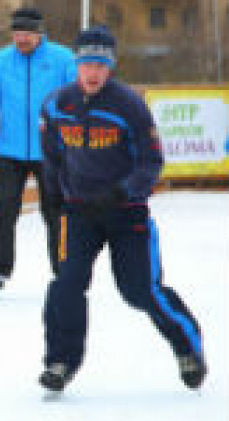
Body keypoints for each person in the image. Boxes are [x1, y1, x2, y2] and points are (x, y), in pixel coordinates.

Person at [38, 25, 207, 393]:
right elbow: (51, 154)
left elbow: (152, 161)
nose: (93, 72)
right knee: (66, 285)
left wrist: (123, 192)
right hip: (79, 213)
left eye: (100, 65)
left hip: (126, 213)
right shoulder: (56, 104)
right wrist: (53, 195)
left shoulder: (129, 105)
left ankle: (187, 345)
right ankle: (60, 362)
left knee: (139, 290)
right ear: (77, 65)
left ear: (110, 67)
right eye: (87, 64)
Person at [0, 8, 76, 291]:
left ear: (39, 33)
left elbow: (74, 97)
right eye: (17, 33)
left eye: (27, 34)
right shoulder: (2, 60)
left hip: (50, 151)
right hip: (11, 150)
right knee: (5, 209)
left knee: (55, 212)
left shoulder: (62, 59)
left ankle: (65, 269)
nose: (21, 38)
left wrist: (60, 122)